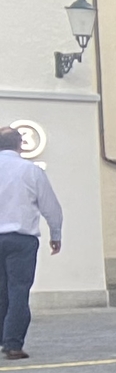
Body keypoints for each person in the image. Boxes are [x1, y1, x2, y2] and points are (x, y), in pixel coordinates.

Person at [0, 126, 66, 361]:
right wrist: (55, 235)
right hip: (21, 239)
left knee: (1, 292)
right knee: (18, 291)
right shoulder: (30, 170)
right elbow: (51, 207)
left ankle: (3, 337)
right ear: (20, 144)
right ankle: (12, 344)